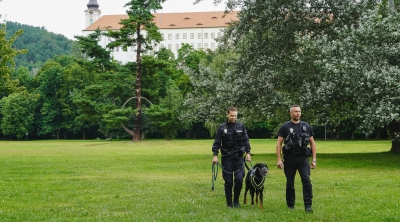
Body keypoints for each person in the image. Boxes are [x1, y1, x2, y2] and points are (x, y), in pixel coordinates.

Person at [276, 105, 317, 213]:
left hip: (303, 159)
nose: (298, 113)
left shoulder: (306, 126)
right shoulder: (285, 127)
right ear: (291, 113)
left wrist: (314, 159)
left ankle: (308, 205)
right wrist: (279, 159)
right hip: (290, 159)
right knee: (290, 182)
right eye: (295, 112)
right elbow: (279, 144)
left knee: (306, 180)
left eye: (299, 111)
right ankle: (290, 205)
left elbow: (312, 143)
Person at [212, 106, 251, 208]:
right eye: (232, 115)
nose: (234, 117)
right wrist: (215, 155)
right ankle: (229, 203)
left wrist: (248, 153)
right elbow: (217, 142)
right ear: (227, 115)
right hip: (226, 157)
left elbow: (246, 141)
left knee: (239, 179)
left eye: (235, 116)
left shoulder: (241, 126)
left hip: (238, 157)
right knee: (228, 181)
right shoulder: (222, 127)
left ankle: (236, 201)